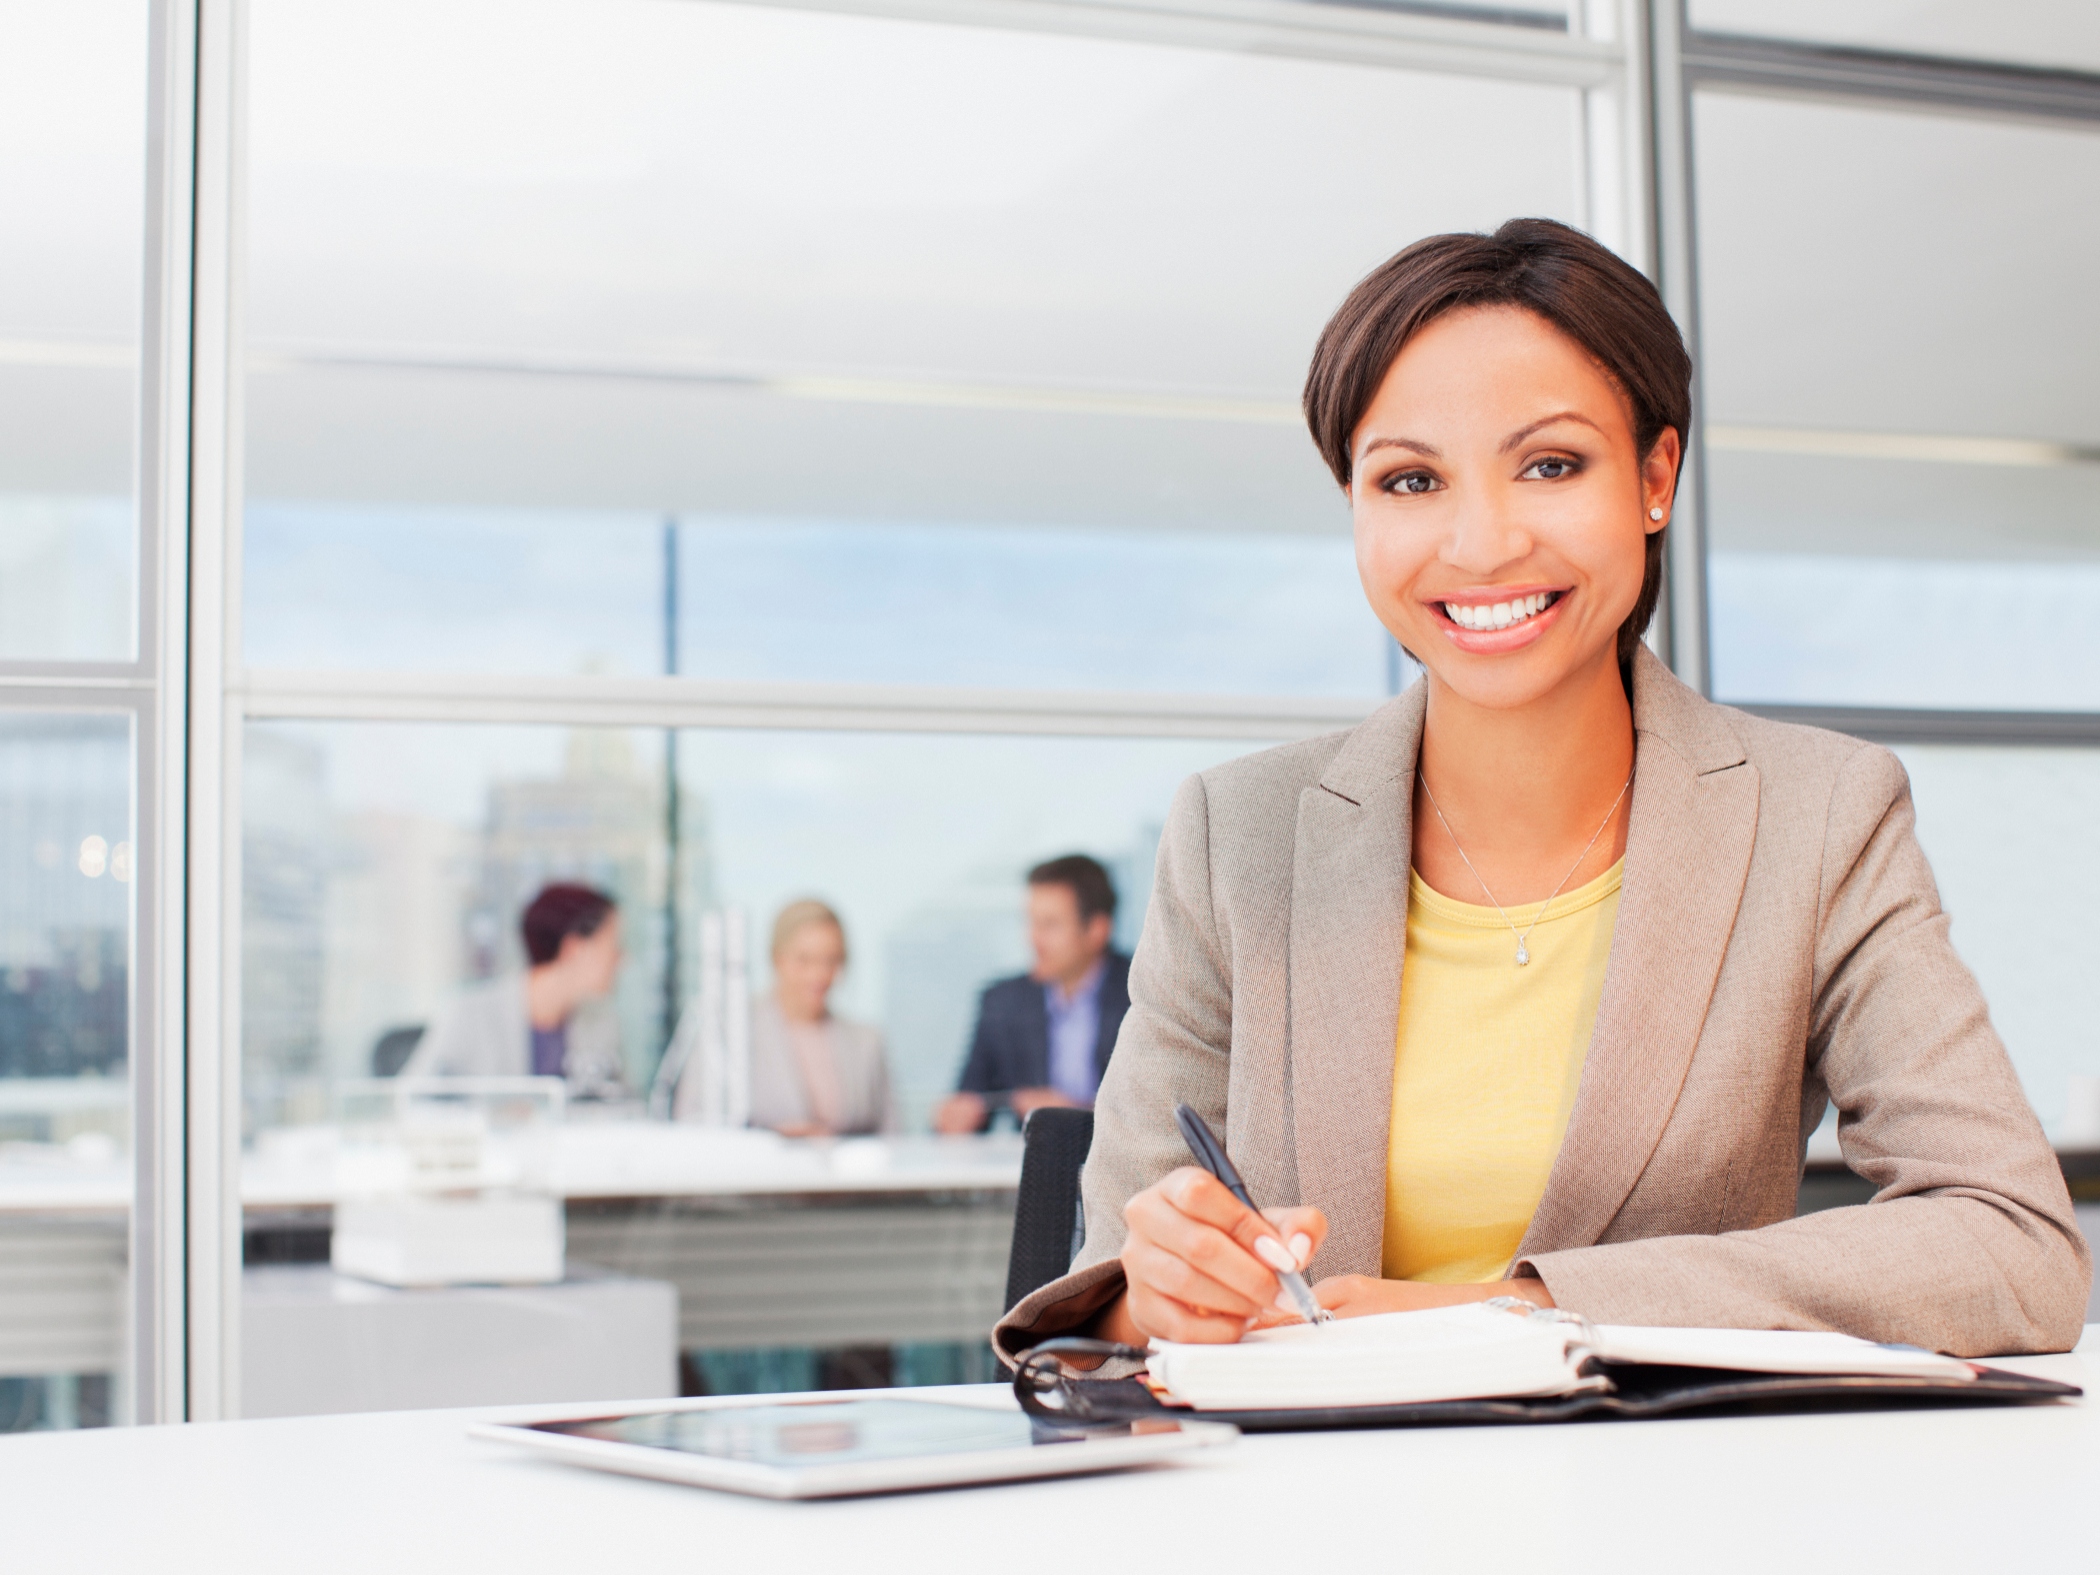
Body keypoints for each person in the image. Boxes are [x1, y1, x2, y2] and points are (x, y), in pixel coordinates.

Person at [995, 219, 2088, 1365]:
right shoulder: (1240, 836)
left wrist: (1517, 1310)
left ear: (1655, 477)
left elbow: (2013, 1249)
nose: (1481, 543)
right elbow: (1103, 1300)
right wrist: (1159, 1291)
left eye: (1551, 465)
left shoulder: (1819, 816)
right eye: (1411, 479)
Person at [934, 855, 1131, 1135]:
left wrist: (1079, 1115)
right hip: (1031, 1169)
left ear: (1097, 930)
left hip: (1124, 1171)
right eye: (1031, 923)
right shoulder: (1002, 1003)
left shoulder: (1142, 999)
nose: (1033, 939)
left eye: (1050, 925)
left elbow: (1160, 1116)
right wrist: (956, 1117)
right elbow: (969, 1099)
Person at [676, 898, 896, 1136]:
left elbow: (892, 1134)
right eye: (804, 960)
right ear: (777, 958)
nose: (819, 974)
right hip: (762, 1171)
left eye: (831, 960)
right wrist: (772, 1140)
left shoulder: (866, 1042)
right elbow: (691, 1121)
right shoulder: (730, 1030)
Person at [405, 882, 627, 1098]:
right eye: (613, 945)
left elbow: (621, 1104)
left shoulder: (600, 1022)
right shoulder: (470, 1013)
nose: (621, 958)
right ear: (575, 949)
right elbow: (410, 1102)